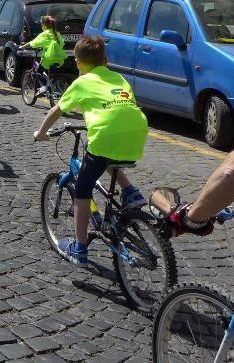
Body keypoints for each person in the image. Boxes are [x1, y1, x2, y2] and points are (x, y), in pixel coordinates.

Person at [33, 35, 149, 266]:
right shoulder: (118, 77)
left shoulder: (81, 82)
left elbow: (57, 110)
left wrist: (41, 133)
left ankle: (79, 247)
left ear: (77, 62)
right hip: (137, 133)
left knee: (83, 189)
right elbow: (120, 109)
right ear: (105, 60)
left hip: (106, 136)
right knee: (106, 157)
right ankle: (131, 192)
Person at [19, 15, 67, 96]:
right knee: (50, 73)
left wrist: (22, 46)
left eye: (41, 24)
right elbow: (62, 44)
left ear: (44, 25)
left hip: (48, 59)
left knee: (38, 72)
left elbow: (33, 43)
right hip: (60, 58)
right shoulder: (57, 34)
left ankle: (44, 87)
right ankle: (53, 85)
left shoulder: (44, 34)